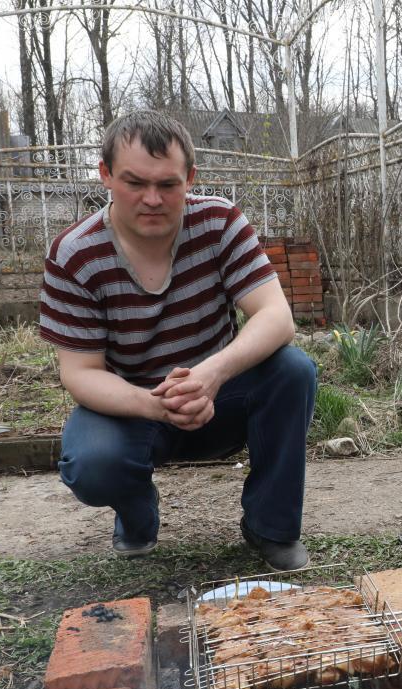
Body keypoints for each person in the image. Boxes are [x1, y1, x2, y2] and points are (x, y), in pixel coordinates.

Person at [39, 110, 317, 569]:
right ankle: (136, 513)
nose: (152, 199)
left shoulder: (219, 222)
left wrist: (211, 375)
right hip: (133, 408)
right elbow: (80, 373)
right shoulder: (74, 254)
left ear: (190, 178)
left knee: (293, 370)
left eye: (168, 185)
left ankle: (272, 528)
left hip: (220, 398)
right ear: (105, 175)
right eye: (134, 183)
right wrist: (155, 404)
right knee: (91, 462)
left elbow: (276, 317)